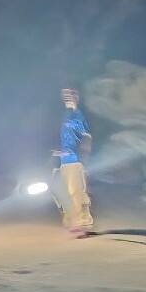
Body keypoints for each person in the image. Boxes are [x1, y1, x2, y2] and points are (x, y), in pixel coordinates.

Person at [51, 87, 94, 237]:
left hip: (74, 161)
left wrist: (82, 156)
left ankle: (80, 224)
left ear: (77, 97)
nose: (67, 96)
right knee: (56, 187)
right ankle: (72, 220)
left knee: (75, 192)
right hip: (64, 160)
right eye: (65, 94)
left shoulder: (78, 115)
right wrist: (60, 152)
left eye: (70, 94)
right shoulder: (66, 114)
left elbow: (87, 136)